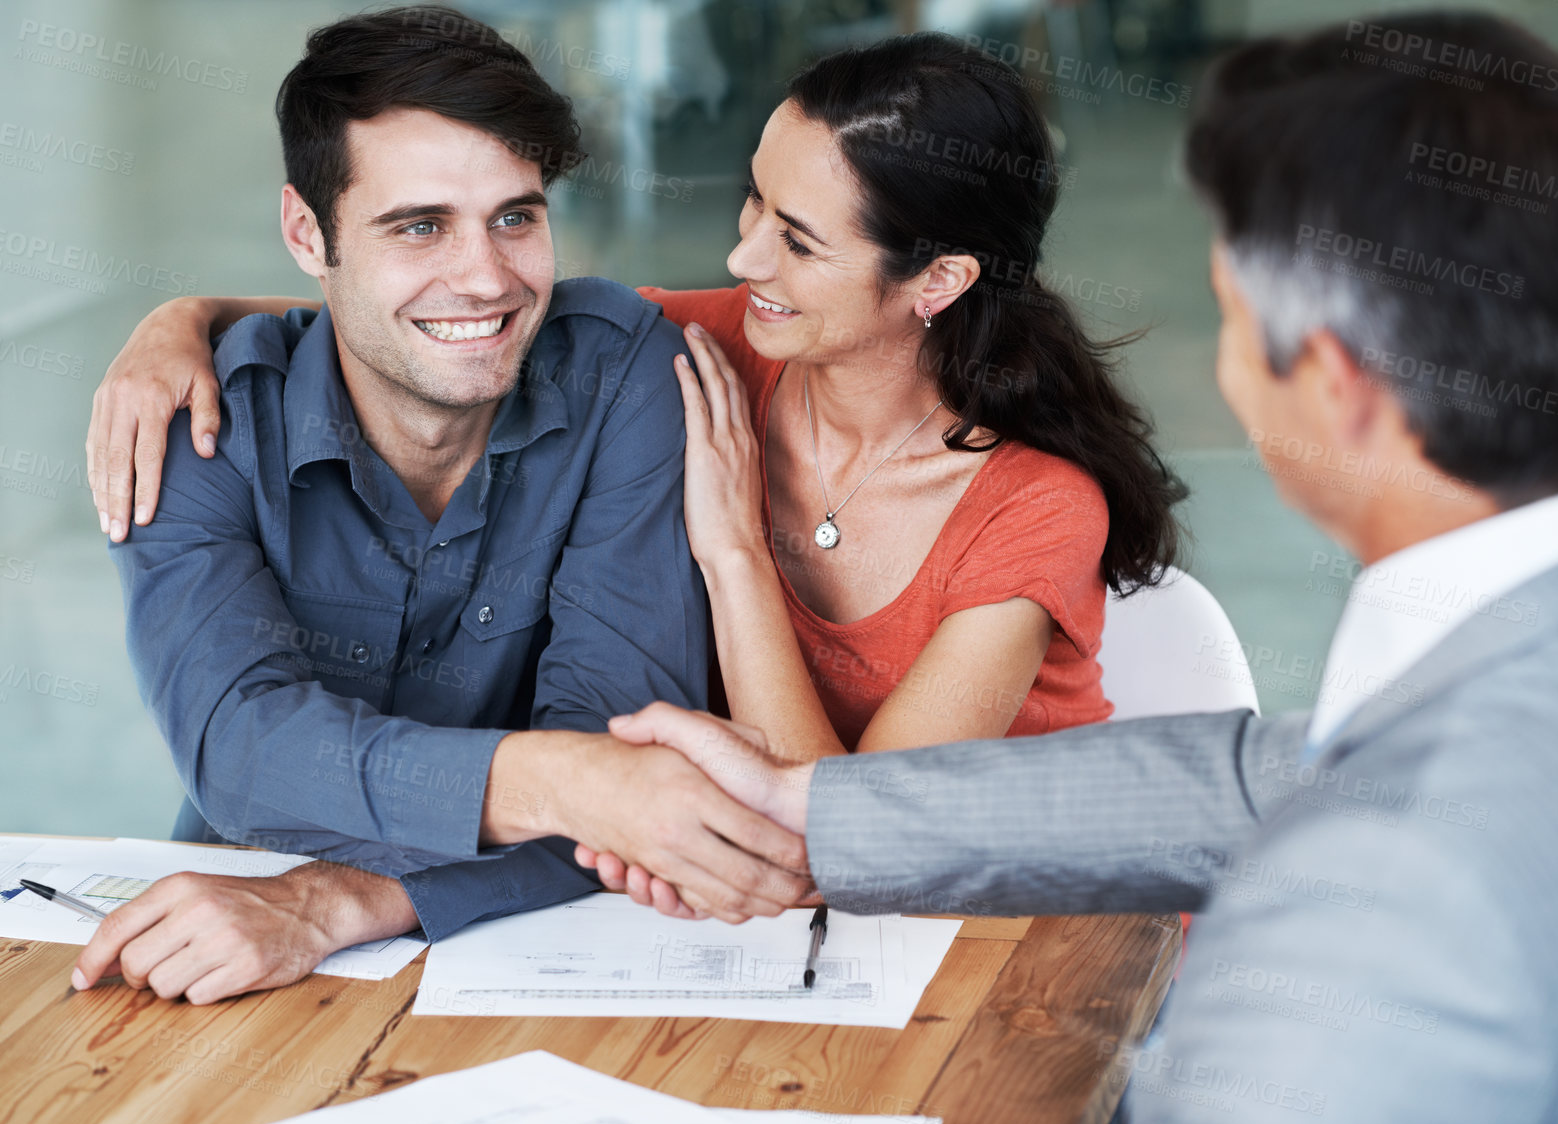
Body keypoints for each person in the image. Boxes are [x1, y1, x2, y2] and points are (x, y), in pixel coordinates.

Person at [582, 13, 1558, 1124]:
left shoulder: (1373, 919)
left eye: (1228, 317)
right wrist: (823, 813)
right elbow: (1256, 777)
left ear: (1329, 384)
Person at [88, 32, 1185, 908]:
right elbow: (444, 318)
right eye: (753, 202)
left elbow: (846, 847)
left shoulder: (1027, 507)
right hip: (742, 902)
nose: (741, 256)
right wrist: (185, 321)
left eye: (797, 242)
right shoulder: (711, 345)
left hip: (1001, 923)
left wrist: (733, 553)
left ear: (935, 278)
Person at [69, 6, 811, 1006]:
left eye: (515, 215)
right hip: (231, 952)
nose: (486, 277)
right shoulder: (194, 419)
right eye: (419, 226)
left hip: (550, 952)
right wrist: (566, 783)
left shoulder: (625, 376)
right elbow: (242, 752)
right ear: (305, 231)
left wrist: (339, 900)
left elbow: (623, 760)